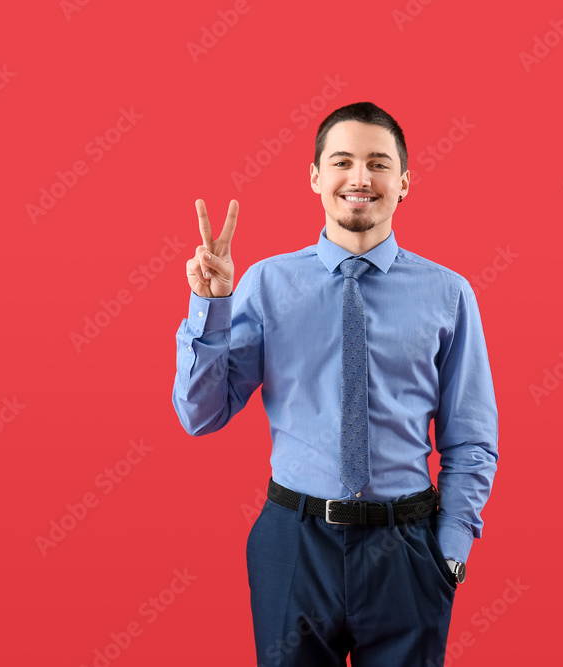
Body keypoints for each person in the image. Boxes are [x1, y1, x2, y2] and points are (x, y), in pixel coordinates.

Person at [172, 101, 498, 665]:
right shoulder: (266, 284)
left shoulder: (449, 294)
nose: (360, 178)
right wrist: (211, 305)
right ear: (316, 178)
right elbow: (201, 415)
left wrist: (451, 550)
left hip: (408, 548)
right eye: (342, 161)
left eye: (378, 163)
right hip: (295, 543)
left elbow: (470, 438)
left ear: (403, 182)